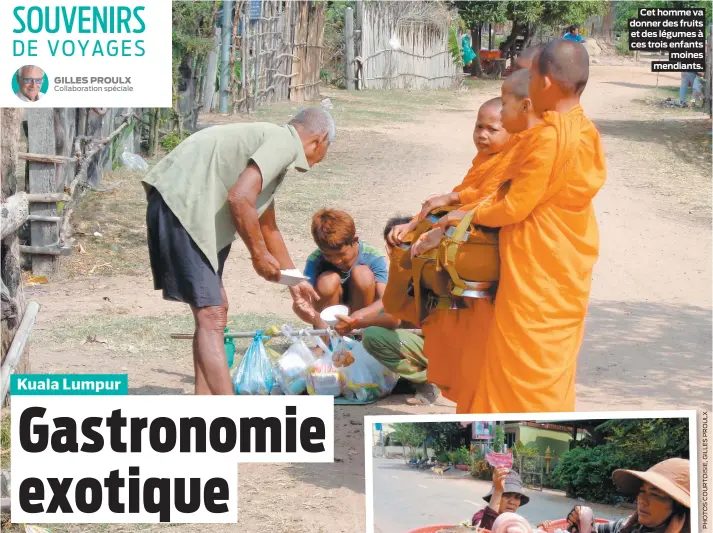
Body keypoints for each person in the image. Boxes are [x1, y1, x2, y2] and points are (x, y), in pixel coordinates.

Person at [436, 39, 607, 413]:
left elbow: (514, 205)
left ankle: (513, 436)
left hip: (538, 267)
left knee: (522, 355)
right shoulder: (586, 130)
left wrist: (467, 215)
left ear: (543, 84)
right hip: (568, 259)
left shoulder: (548, 137)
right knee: (552, 360)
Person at [142, 107, 334, 395]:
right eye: (327, 149)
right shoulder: (283, 143)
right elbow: (240, 198)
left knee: (213, 312)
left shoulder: (273, 143)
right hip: (184, 206)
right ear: (319, 140)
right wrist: (258, 255)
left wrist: (295, 282)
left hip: (196, 209)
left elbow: (268, 225)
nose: (321, 160)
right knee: (212, 313)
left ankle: (205, 404)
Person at [386, 97, 515, 403]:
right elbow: (468, 196)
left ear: (513, 132)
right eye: (478, 126)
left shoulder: (512, 161)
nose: (482, 135)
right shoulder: (484, 162)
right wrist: (420, 220)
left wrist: (438, 226)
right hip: (458, 260)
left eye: (492, 129)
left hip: (477, 268)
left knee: (475, 363)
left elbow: (487, 204)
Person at [336, 216, 439, 405]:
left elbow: (393, 319)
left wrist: (358, 321)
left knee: (373, 336)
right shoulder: (401, 272)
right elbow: (393, 316)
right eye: (395, 245)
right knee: (377, 333)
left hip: (444, 346)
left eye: (404, 244)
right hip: (431, 344)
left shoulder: (426, 270)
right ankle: (420, 377)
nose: (398, 251)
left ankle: (430, 379)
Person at [295, 209, 389, 331]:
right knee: (328, 280)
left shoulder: (373, 256)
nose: (336, 261)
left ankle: (358, 338)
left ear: (354, 241)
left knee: (362, 274)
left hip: (361, 320)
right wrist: (316, 319)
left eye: (341, 254)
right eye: (328, 255)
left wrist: (358, 316)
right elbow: (300, 304)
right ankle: (327, 340)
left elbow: (386, 301)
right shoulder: (315, 260)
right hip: (329, 323)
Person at [540, 458, 691, 533]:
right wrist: (581, 519)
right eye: (642, 491)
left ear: (679, 508)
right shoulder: (633, 525)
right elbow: (598, 529)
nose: (642, 501)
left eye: (655, 494)